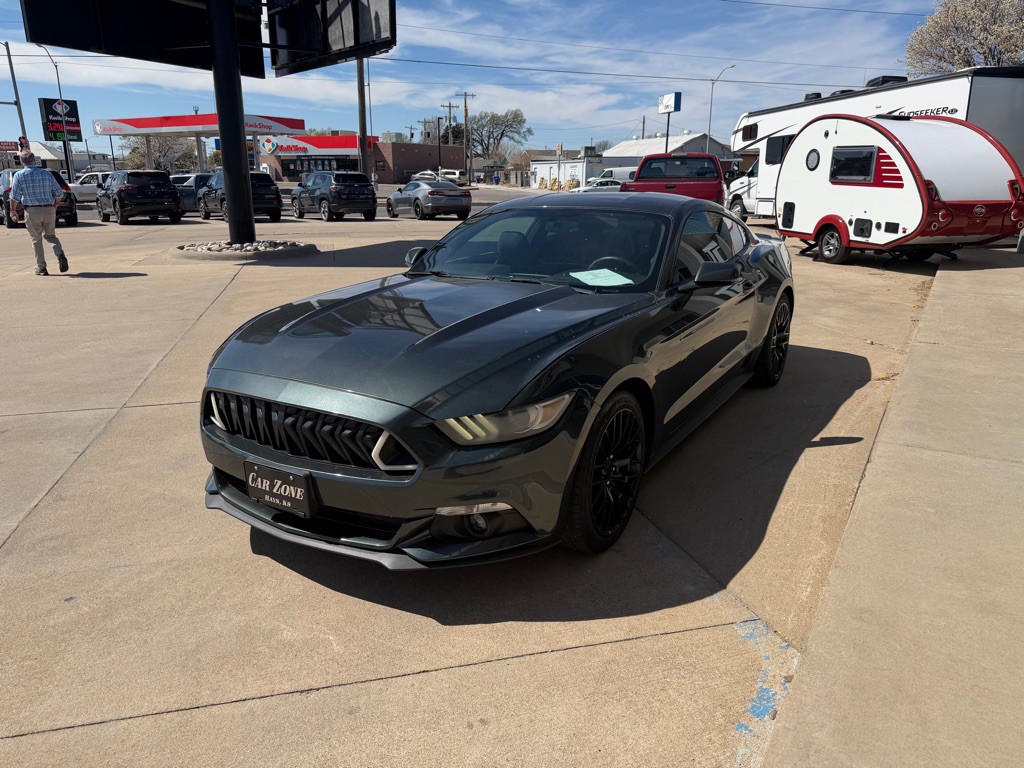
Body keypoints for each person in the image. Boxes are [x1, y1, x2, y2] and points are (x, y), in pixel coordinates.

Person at [10, 151, 69, 276]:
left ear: (21, 162)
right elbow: (59, 193)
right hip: (49, 209)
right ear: (35, 161)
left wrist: (12, 210)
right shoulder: (47, 174)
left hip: (32, 211)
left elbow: (14, 197)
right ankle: (60, 254)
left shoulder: (19, 175)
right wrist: (55, 204)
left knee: (36, 240)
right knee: (51, 236)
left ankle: (41, 267)